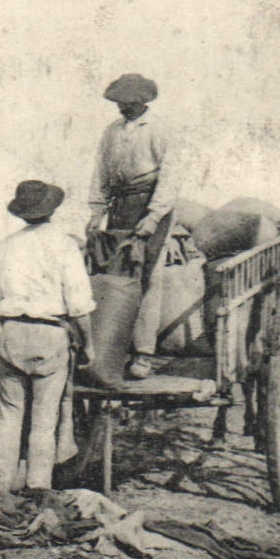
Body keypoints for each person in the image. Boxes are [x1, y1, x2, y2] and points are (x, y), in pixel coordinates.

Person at [0, 180, 96, 495]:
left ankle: (1, 489)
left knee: (9, 416)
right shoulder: (63, 244)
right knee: (44, 420)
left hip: (11, 332)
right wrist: (88, 345)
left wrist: (13, 327)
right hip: (49, 334)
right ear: (52, 209)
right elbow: (78, 305)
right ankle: (38, 488)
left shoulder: (7, 245)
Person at [85, 72, 178, 378]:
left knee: (147, 277)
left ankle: (144, 354)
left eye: (126, 102)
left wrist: (152, 217)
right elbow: (100, 172)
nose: (121, 108)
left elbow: (170, 178)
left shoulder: (160, 129)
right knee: (117, 277)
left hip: (150, 205)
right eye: (118, 102)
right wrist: (97, 212)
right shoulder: (111, 131)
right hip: (120, 208)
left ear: (141, 101)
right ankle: (114, 348)